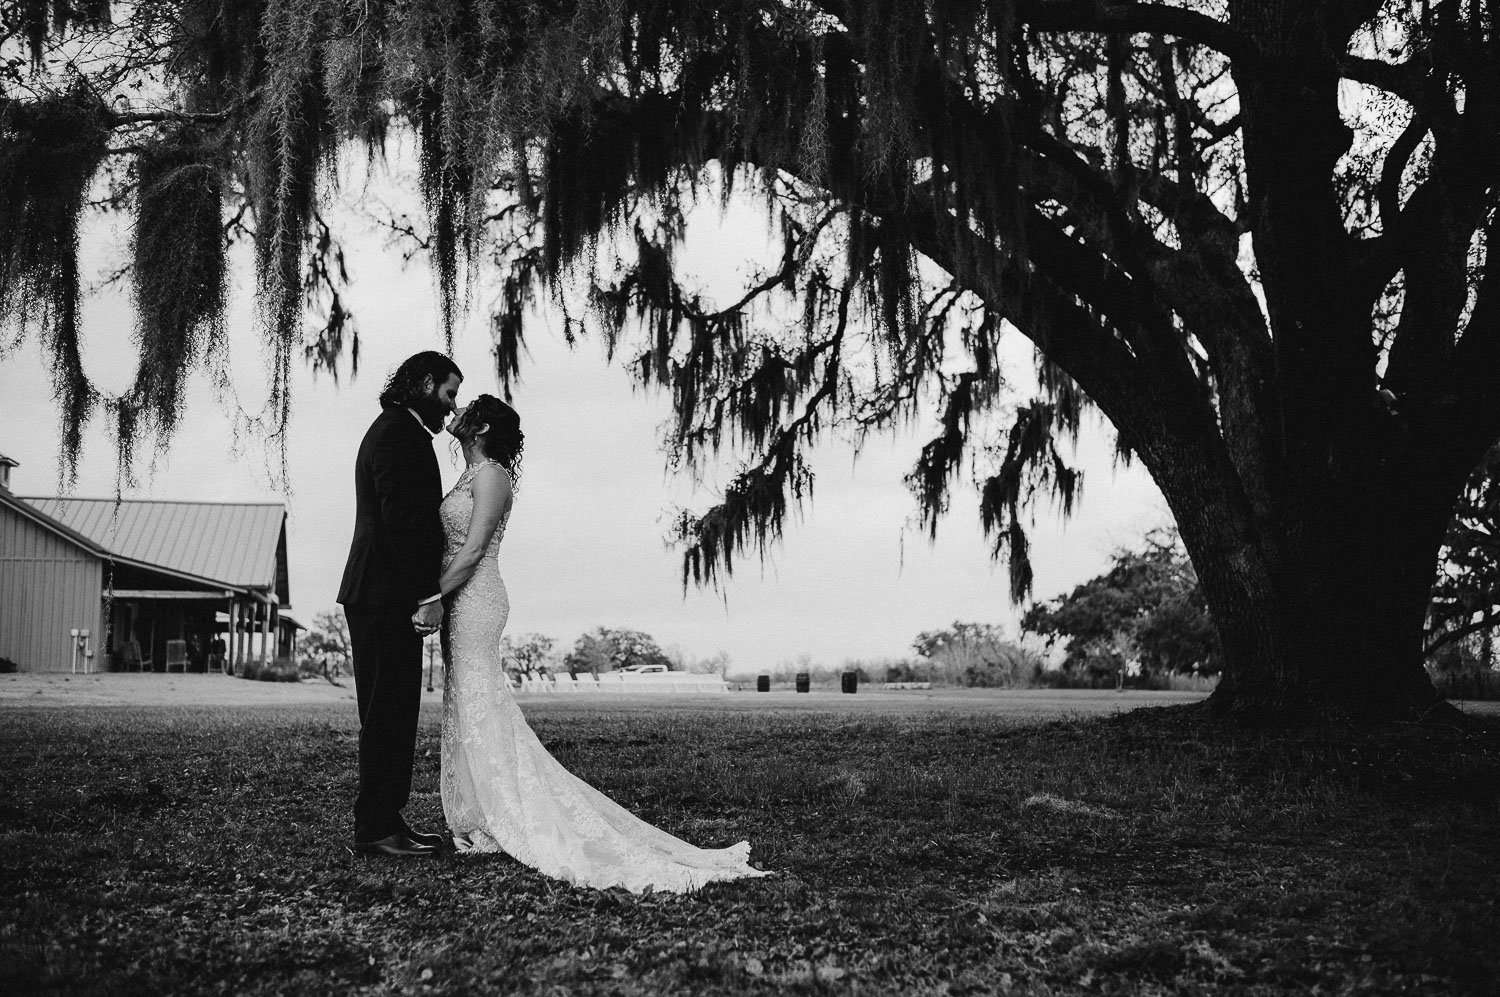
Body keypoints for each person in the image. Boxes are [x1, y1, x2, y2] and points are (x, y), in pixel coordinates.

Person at [437, 394, 770, 892]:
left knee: (481, 700)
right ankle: (481, 810)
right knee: (465, 702)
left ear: (481, 426)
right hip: (457, 599)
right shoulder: (467, 475)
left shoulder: (492, 476)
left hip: (477, 595)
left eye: (466, 408)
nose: (456, 411)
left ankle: (510, 810)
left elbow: (476, 547)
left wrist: (429, 597)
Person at [338, 350, 463, 858]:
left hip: (381, 593)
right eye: (449, 394)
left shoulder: (399, 430)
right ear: (426, 383)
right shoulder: (397, 434)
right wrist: (429, 596)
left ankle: (388, 819)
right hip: (383, 594)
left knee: (394, 710)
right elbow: (403, 523)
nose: (452, 409)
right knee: (387, 712)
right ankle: (375, 830)